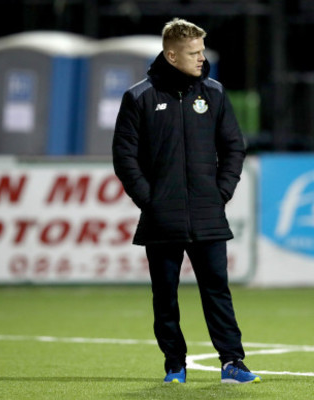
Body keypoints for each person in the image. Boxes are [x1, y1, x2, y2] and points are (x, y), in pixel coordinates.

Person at [112, 18, 260, 385]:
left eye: (202, 51)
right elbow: (124, 157)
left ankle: (233, 363)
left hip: (207, 213)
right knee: (165, 296)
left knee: (217, 292)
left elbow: (233, 148)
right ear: (170, 54)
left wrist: (220, 191)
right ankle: (174, 364)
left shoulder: (214, 93)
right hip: (162, 217)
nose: (201, 58)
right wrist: (151, 200)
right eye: (193, 53)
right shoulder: (139, 97)